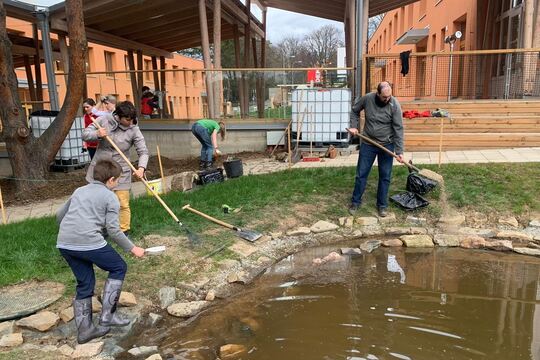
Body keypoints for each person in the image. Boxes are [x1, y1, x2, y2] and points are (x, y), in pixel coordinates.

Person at [56, 159, 145, 344]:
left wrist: (71, 231)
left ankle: (85, 331)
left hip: (64, 243)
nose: (119, 183)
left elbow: (59, 216)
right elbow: (114, 231)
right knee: (119, 267)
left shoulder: (80, 190)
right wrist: (133, 248)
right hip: (88, 242)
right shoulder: (110, 197)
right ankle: (108, 316)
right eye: (118, 180)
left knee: (85, 282)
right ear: (111, 180)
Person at [83, 101, 149, 235]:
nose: (130, 122)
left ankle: (123, 231)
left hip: (121, 169)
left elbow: (143, 151)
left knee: (122, 203)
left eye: (133, 119)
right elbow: (85, 134)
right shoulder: (103, 120)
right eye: (127, 119)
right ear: (118, 116)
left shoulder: (134, 129)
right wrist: (97, 133)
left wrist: (141, 168)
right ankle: (102, 229)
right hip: (101, 168)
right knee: (99, 202)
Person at [346, 81, 404, 218]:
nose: (387, 99)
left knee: (385, 176)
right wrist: (354, 127)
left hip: (386, 145)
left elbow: (398, 129)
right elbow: (354, 111)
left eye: (389, 96)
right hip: (368, 143)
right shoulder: (367, 99)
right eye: (384, 97)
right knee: (361, 174)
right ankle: (355, 202)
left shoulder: (394, 104)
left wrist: (399, 151)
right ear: (378, 93)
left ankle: (382, 205)